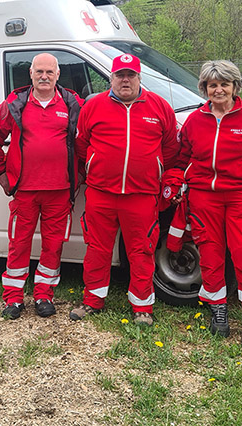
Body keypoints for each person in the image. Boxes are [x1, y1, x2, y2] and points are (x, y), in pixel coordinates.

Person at [176, 59, 242, 348]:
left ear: (235, 87)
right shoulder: (195, 121)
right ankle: (218, 310)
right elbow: (183, 157)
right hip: (203, 198)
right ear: (204, 88)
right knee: (210, 257)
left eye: (224, 84)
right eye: (212, 85)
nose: (218, 89)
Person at [71, 53, 179, 325]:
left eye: (131, 75)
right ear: (111, 78)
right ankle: (92, 301)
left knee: (141, 251)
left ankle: (142, 306)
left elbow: (170, 150)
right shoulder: (93, 106)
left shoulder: (159, 107)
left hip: (142, 195)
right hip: (100, 194)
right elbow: (82, 145)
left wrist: (157, 175)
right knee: (97, 249)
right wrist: (96, 167)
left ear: (139, 77)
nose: (125, 80)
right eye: (120, 75)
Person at [0, 53, 83, 319]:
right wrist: (0, 173)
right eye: (39, 72)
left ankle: (44, 295)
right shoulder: (15, 104)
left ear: (58, 75)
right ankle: (13, 298)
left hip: (60, 191)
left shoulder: (72, 103)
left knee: (53, 246)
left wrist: (80, 175)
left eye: (50, 72)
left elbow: (87, 141)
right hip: (24, 191)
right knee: (18, 244)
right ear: (30, 74)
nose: (44, 76)